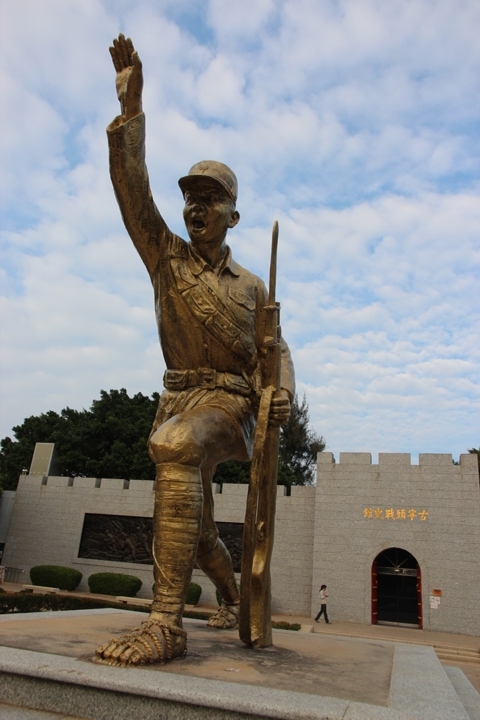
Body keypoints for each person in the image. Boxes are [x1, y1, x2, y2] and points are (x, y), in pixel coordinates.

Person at [94, 34, 295, 667]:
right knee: (200, 528)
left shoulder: (253, 288)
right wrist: (131, 116)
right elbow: (134, 192)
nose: (195, 207)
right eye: (191, 198)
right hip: (179, 399)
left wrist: (281, 388)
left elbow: (275, 349)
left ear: (233, 215)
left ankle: (164, 626)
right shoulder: (164, 258)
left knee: (179, 446)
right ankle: (232, 597)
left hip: (232, 409)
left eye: (210, 199)